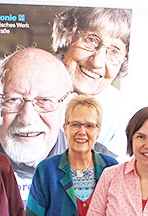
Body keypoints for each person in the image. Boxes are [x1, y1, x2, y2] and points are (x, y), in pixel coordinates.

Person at [0, 47, 74, 199]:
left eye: (45, 100)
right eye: (13, 99)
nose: (27, 118)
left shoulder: (97, 167)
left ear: (67, 109)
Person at [52, 6, 134, 161]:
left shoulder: (122, 113)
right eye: (91, 40)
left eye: (114, 51)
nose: (97, 62)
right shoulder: (27, 78)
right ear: (68, 36)